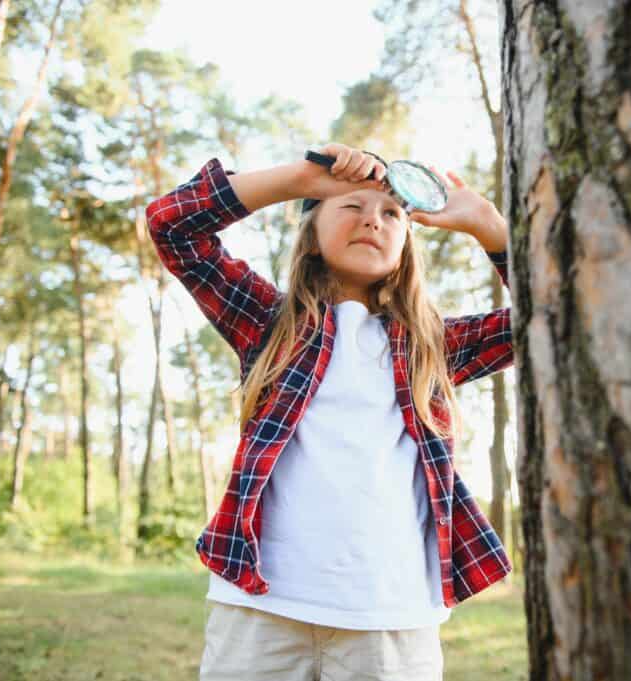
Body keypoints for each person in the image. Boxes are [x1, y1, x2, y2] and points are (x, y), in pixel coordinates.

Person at [146, 142, 513, 681]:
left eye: (392, 213)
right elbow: (172, 228)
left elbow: (557, 311)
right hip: (261, 608)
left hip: (392, 616)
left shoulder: (434, 344)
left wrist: (489, 226)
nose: (373, 220)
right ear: (312, 237)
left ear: (407, 245)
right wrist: (298, 180)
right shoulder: (271, 324)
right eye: (350, 206)